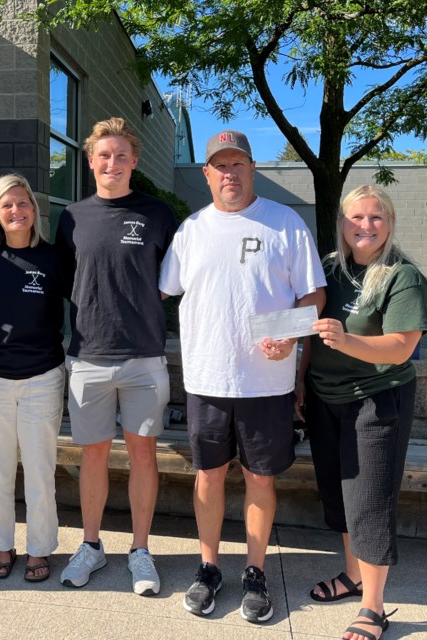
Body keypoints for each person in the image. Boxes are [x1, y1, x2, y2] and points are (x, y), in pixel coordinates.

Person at [159, 129, 326, 622]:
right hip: (207, 379)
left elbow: (313, 296)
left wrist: (293, 338)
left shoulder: (285, 223)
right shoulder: (190, 230)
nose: (229, 173)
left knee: (259, 478)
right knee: (207, 475)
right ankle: (208, 566)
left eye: (238, 164)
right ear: (207, 174)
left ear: (253, 170)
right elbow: (160, 290)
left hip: (266, 383)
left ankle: (255, 571)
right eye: (220, 166)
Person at [296, 185, 427, 640]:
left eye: (376, 218)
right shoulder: (330, 269)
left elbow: (401, 347)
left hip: (377, 400)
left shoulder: (401, 276)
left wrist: (347, 340)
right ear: (342, 223)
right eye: (356, 218)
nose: (365, 226)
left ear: (389, 223)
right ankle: (353, 577)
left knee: (369, 502)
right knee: (338, 497)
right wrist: (298, 380)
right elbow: (309, 332)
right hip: (324, 398)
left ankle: (374, 609)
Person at [54, 117, 177, 596]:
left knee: (143, 454)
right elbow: (66, 281)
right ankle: (91, 545)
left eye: (121, 154)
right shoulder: (72, 217)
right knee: (94, 456)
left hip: (144, 356)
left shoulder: (158, 214)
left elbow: (172, 280)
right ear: (90, 161)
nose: (112, 162)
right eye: (103, 155)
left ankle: (140, 551)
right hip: (87, 356)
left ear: (134, 160)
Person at [0, 174, 66, 582]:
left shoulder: (53, 258)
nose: (16, 211)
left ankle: (40, 548)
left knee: (40, 467)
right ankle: (1, 544)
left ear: (34, 210)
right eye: (6, 205)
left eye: (23, 203)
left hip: (42, 375)